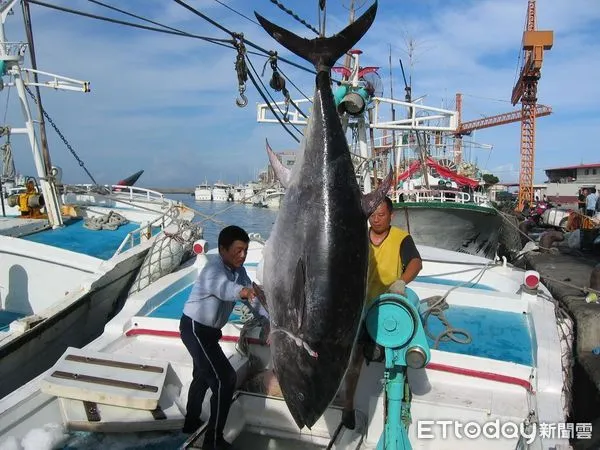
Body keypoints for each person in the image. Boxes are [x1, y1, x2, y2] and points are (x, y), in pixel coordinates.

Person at [340, 196, 423, 430]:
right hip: (359, 305)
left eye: (381, 215)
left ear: (391, 216)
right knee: (353, 358)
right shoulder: (358, 238)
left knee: (396, 360)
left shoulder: (400, 238)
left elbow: (416, 262)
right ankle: (347, 406)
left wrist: (402, 281)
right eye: (372, 215)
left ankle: (398, 408)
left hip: (388, 304)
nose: (376, 219)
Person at [180, 225, 265, 450]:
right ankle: (213, 441)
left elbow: (253, 299)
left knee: (201, 374)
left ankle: (190, 422)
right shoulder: (212, 269)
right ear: (222, 250)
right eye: (238, 250)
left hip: (209, 332)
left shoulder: (240, 271)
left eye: (245, 250)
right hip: (195, 328)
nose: (243, 255)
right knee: (223, 380)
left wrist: (267, 321)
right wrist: (243, 292)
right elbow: (223, 288)